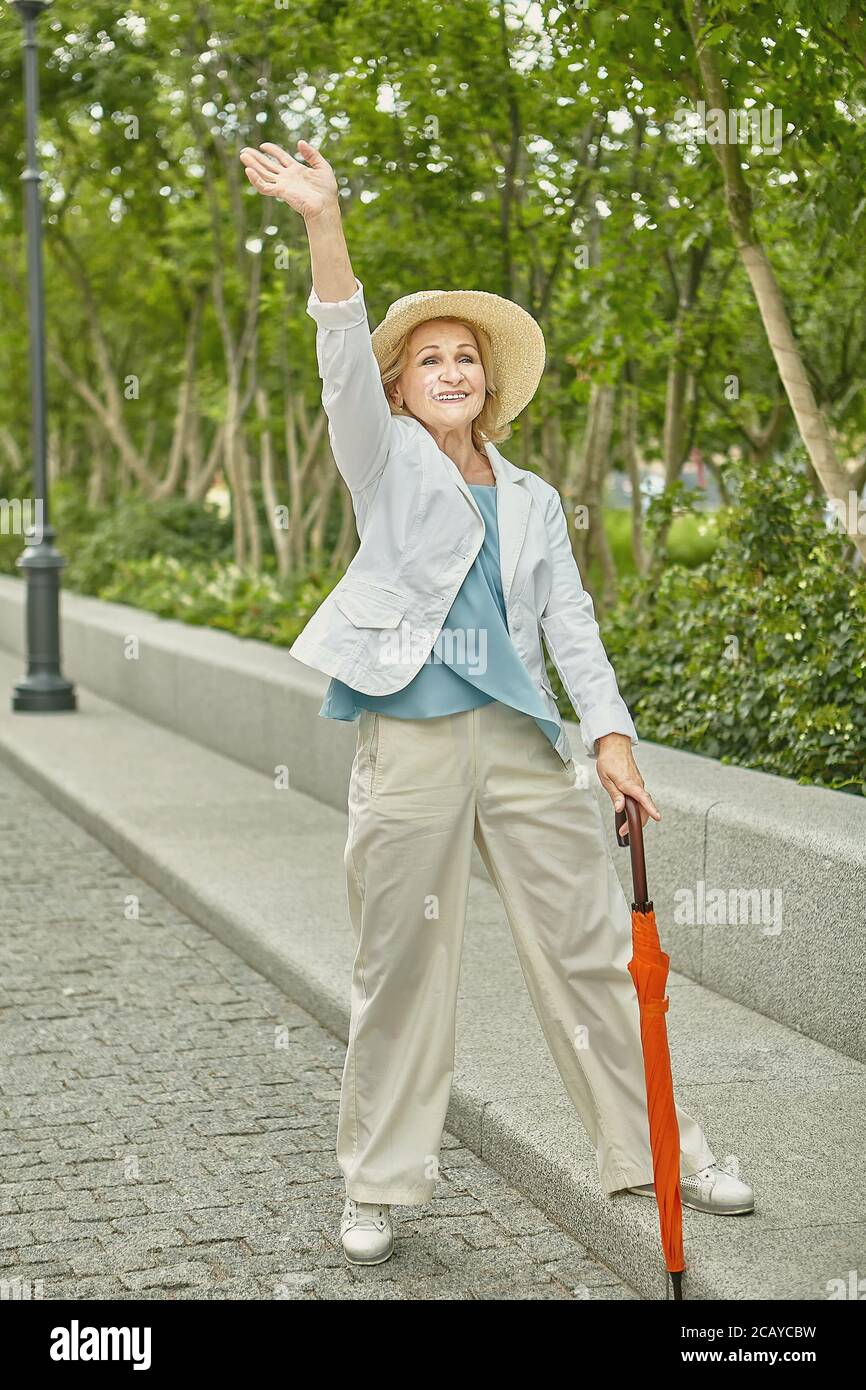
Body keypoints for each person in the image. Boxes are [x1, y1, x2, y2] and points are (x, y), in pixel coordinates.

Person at [239, 137, 755, 1267]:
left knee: (589, 957)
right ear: (398, 389)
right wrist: (325, 220)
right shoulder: (381, 462)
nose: (452, 367)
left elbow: (569, 622)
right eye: (429, 358)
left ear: (489, 382)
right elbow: (336, 342)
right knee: (399, 965)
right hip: (412, 738)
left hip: (524, 749)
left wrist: (610, 736)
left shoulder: (530, 498)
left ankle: (663, 1151)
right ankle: (377, 1181)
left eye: (465, 356)